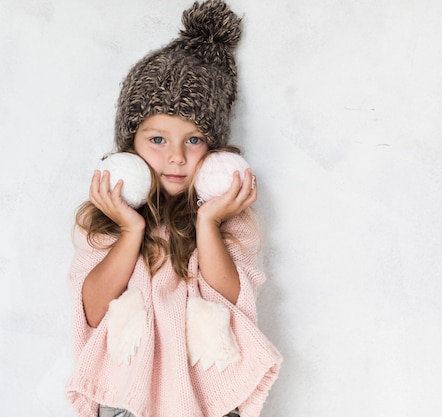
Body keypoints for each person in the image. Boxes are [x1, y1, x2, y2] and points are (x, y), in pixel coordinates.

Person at [66, 1, 282, 416]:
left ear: (215, 149)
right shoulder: (106, 223)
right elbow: (90, 309)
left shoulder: (226, 220)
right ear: (129, 148)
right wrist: (130, 232)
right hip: (127, 400)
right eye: (158, 140)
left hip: (207, 403)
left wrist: (207, 222)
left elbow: (233, 299)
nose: (177, 157)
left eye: (194, 140)